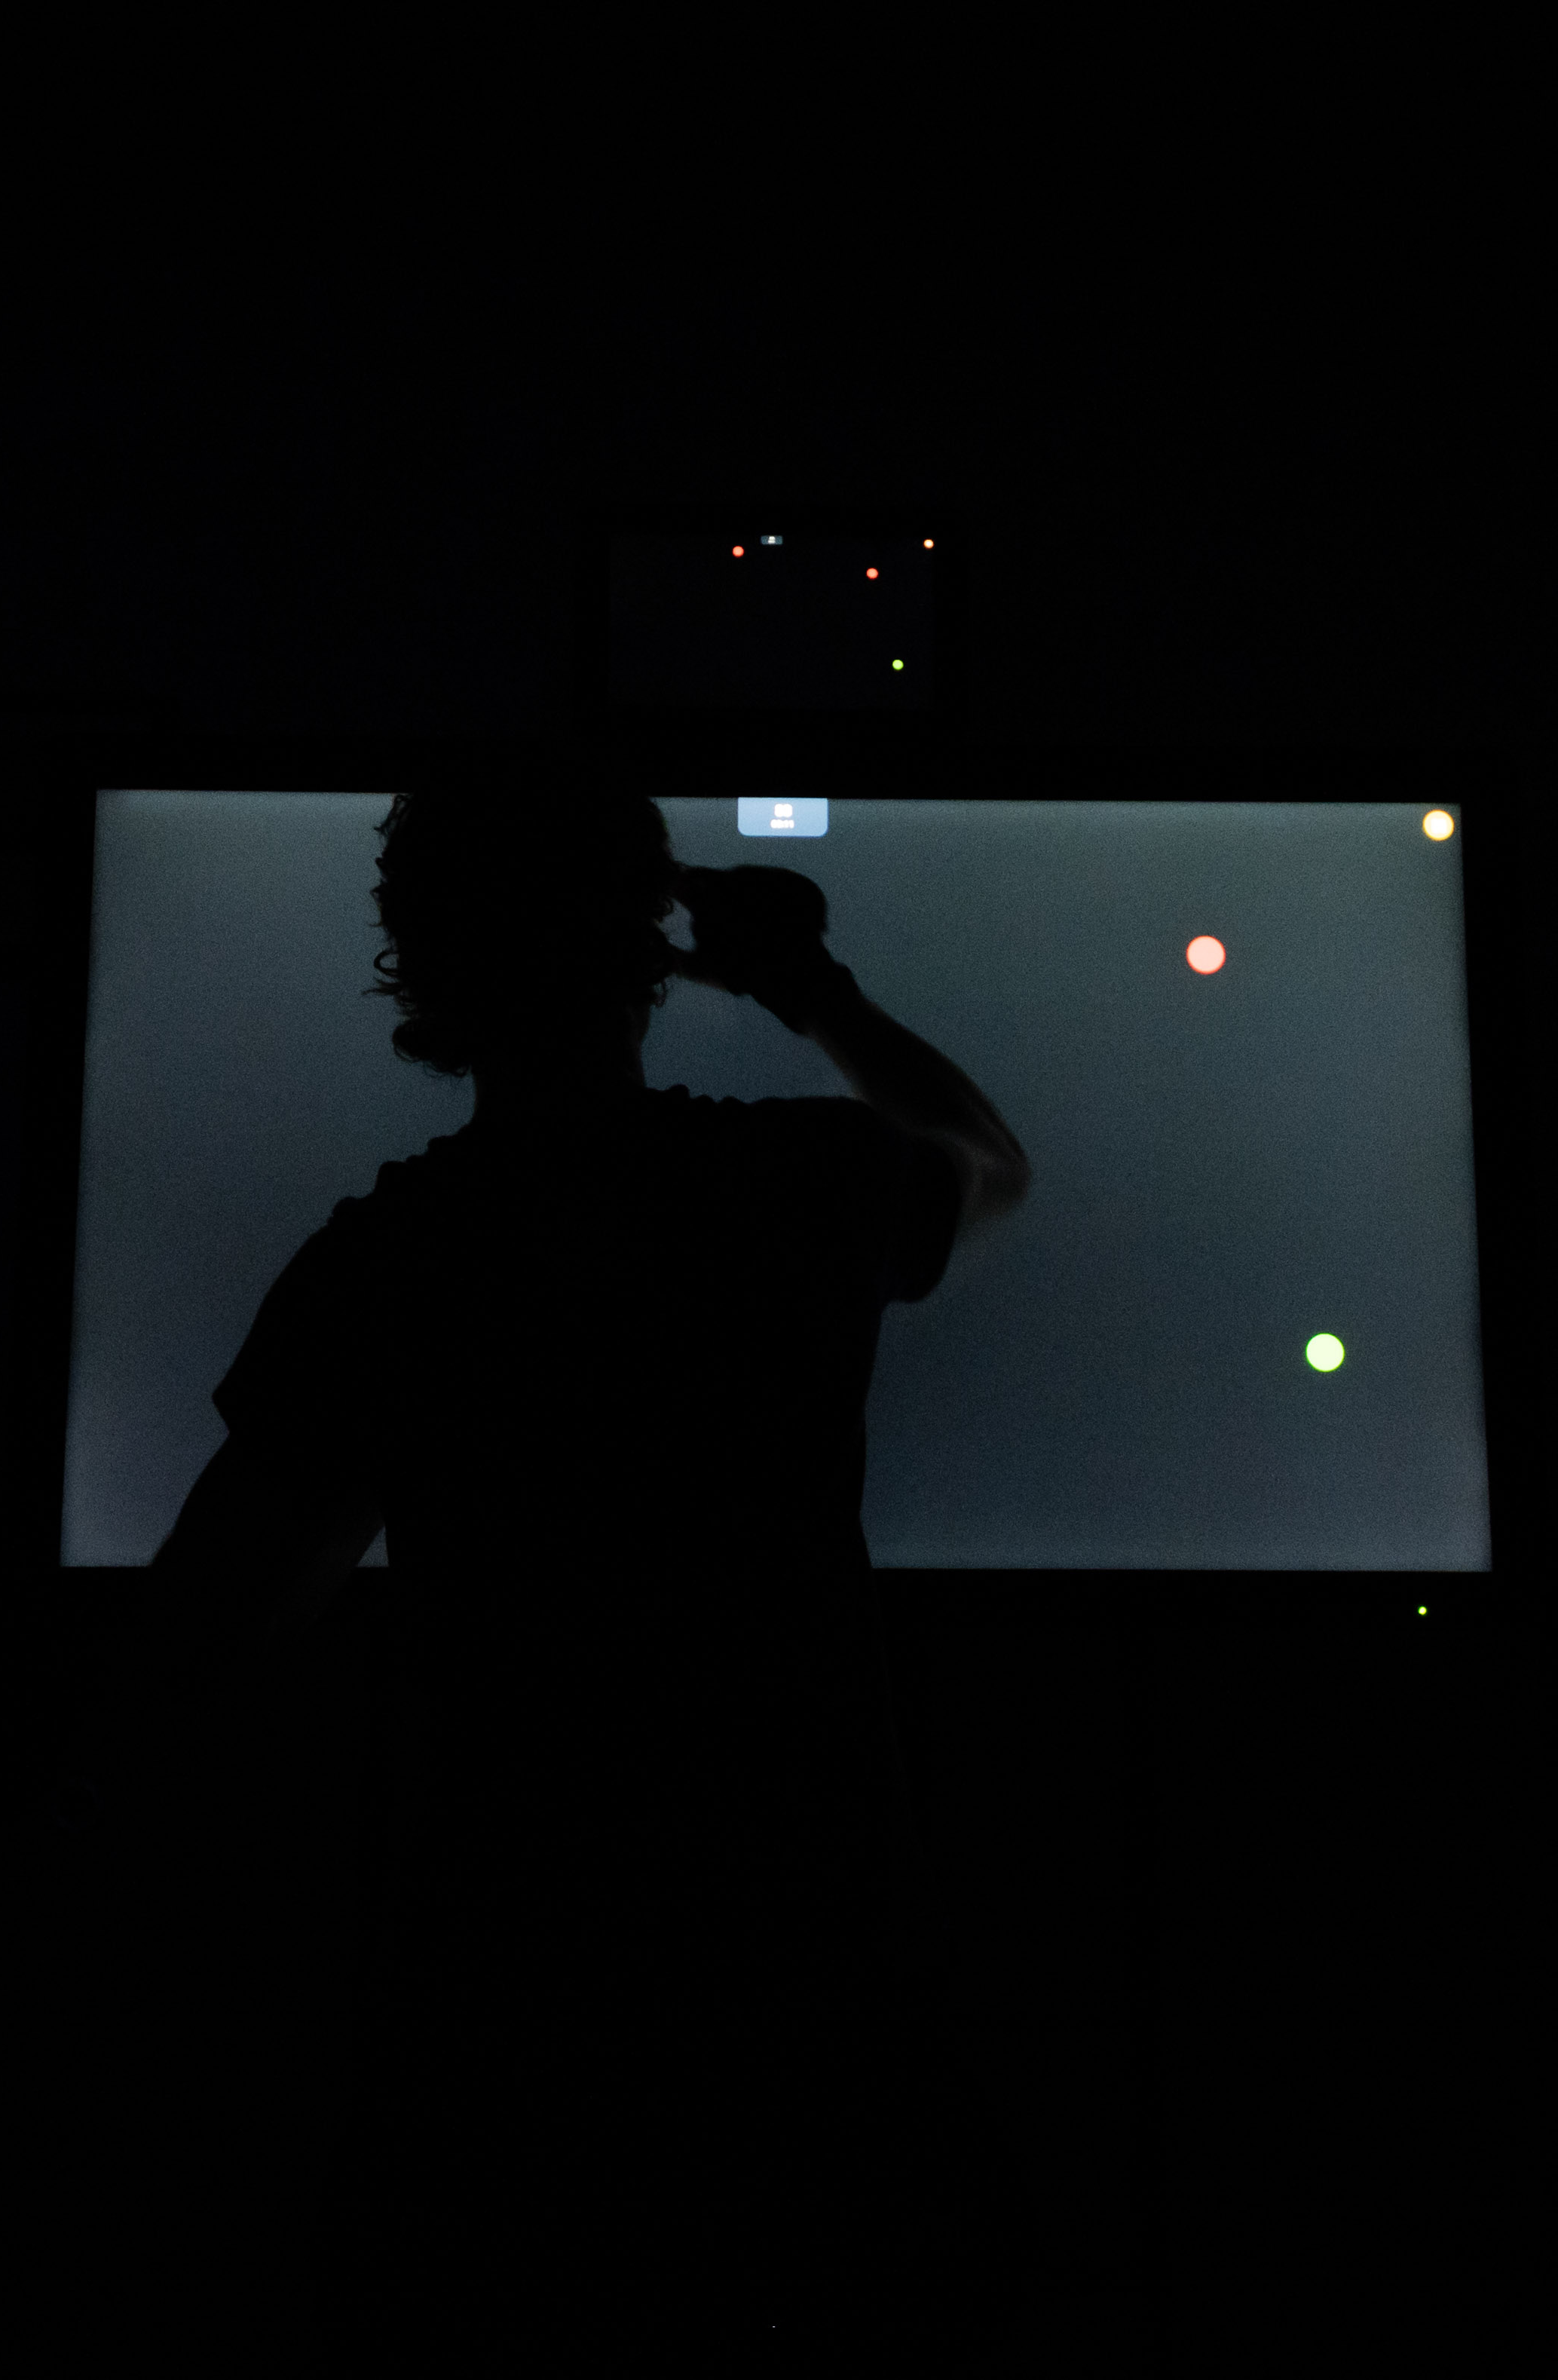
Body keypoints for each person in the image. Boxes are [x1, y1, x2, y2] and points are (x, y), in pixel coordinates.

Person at [147, 776, 1031, 2372]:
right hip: (808, 1977)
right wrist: (812, 991)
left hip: (505, 2007)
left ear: (424, 963)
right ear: (645, 948)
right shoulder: (798, 1188)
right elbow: (987, 1159)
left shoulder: (391, 1267)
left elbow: (212, 1623)